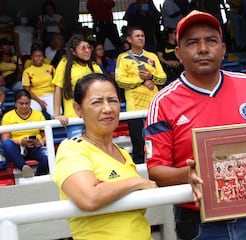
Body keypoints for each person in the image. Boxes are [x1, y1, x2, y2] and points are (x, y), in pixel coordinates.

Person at [144, 10, 246, 240]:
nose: (203, 48)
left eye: (211, 40)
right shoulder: (162, 102)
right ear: (179, 53)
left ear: (223, 49)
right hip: (198, 224)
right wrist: (193, 173)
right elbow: (156, 170)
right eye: (192, 42)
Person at [52, 73, 157, 239]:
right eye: (96, 102)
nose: (107, 108)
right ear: (78, 109)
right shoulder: (72, 149)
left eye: (113, 100)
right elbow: (89, 198)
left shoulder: (122, 154)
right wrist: (136, 182)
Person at [115, 26, 166, 164]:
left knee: (157, 139)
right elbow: (120, 81)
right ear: (129, 39)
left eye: (142, 35)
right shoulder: (123, 57)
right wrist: (142, 80)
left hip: (153, 106)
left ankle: (159, 166)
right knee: (138, 142)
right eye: (137, 36)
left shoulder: (152, 56)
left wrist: (152, 77)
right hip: (135, 108)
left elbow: (163, 78)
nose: (141, 38)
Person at [52, 34, 102, 137]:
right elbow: (58, 90)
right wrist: (57, 114)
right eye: (83, 48)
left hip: (94, 116)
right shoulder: (64, 64)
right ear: (73, 51)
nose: (87, 50)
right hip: (73, 117)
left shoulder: (94, 67)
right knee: (78, 149)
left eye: (89, 47)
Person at [1, 89, 48, 178]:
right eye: (21, 103)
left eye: (27, 103)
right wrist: (20, 142)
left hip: (35, 146)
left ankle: (39, 177)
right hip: (17, 148)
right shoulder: (8, 117)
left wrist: (41, 142)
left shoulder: (38, 115)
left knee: (46, 156)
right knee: (7, 144)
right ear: (15, 103)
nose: (24, 106)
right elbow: (5, 139)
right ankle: (24, 168)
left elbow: (47, 136)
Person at [22, 43, 56, 118]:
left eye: (40, 56)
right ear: (32, 57)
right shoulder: (27, 71)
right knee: (33, 115)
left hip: (50, 95)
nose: (38, 58)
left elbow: (57, 84)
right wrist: (40, 102)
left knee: (55, 114)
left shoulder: (50, 68)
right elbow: (27, 91)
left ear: (43, 57)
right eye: (36, 56)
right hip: (35, 97)